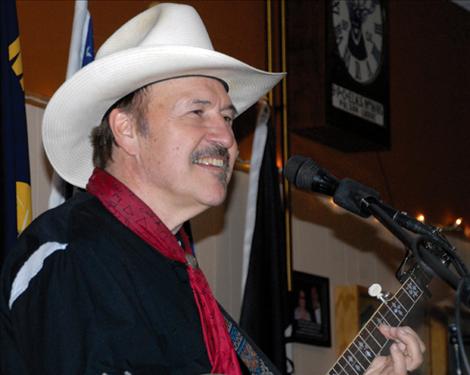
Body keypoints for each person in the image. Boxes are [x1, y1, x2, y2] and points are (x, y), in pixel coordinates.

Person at [0, 3, 425, 375]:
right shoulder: (72, 257)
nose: (225, 136)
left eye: (226, 116)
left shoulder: (176, 269)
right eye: (197, 111)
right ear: (126, 130)